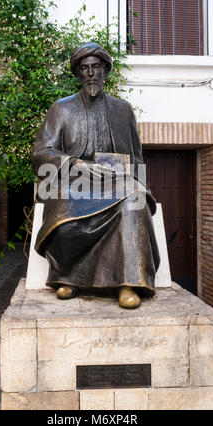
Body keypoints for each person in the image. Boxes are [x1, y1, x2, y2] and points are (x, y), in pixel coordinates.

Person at [31, 42, 160, 309]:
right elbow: (41, 153)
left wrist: (142, 186)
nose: (90, 73)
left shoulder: (122, 110)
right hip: (73, 182)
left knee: (132, 199)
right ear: (78, 74)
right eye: (85, 68)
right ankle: (68, 276)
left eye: (96, 67)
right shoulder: (61, 109)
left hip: (116, 182)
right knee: (65, 207)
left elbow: (136, 158)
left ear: (105, 72)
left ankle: (128, 283)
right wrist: (75, 164)